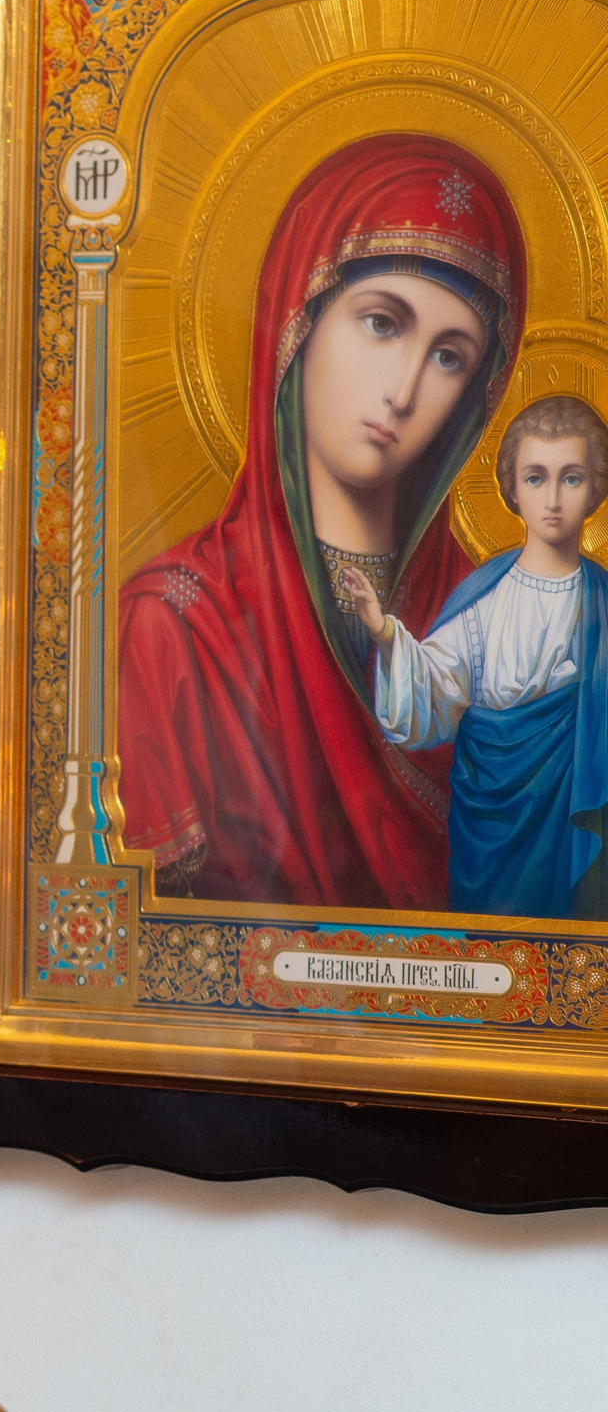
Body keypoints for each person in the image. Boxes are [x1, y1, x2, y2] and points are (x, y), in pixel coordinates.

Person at [118, 135, 526, 908]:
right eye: (381, 323)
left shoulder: (493, 622)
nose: (403, 391)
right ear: (295, 323)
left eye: (449, 356)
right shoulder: (175, 626)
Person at [346, 394, 608, 918]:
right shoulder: (485, 599)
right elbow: (436, 691)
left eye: (571, 477)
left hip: (576, 824)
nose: (553, 498)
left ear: (596, 487)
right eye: (536, 477)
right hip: (491, 829)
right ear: (512, 487)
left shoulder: (603, 600)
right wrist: (386, 634)